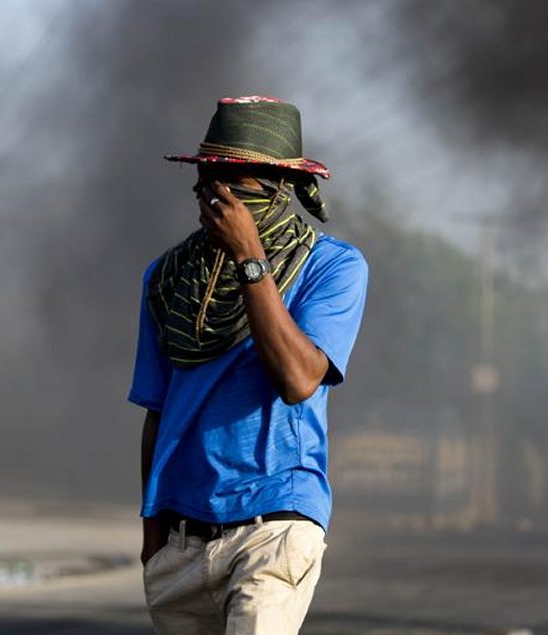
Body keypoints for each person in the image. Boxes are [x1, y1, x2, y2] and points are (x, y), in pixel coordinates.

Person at [130, 96, 368, 635]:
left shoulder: (332, 267)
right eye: (209, 175)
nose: (216, 192)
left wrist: (248, 256)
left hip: (274, 524)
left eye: (235, 179)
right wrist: (152, 535)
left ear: (277, 187)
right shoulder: (168, 279)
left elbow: (298, 378)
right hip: (183, 540)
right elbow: (158, 410)